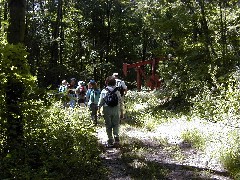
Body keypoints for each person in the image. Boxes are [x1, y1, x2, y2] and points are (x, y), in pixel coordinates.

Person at [98, 76, 122, 148]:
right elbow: (120, 102)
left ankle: (110, 140)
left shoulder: (104, 91)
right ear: (114, 82)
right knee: (116, 124)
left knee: (108, 125)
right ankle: (116, 138)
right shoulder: (117, 91)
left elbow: (100, 102)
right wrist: (122, 112)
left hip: (106, 109)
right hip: (116, 109)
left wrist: (98, 111)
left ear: (106, 82)